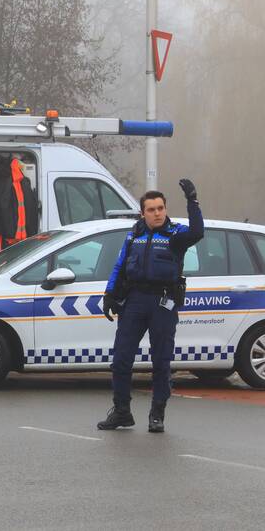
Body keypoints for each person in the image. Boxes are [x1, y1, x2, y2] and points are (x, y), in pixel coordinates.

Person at [98, 178, 204, 433]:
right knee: (121, 359)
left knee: (161, 360)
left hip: (162, 302)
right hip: (134, 300)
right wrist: (109, 294)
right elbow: (119, 265)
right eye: (151, 209)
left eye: (161, 208)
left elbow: (197, 232)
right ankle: (122, 412)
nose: (157, 213)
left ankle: (157, 415)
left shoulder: (176, 234)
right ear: (142, 213)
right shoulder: (134, 234)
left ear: (165, 209)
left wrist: (192, 201)